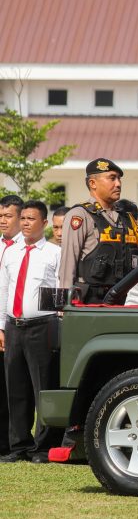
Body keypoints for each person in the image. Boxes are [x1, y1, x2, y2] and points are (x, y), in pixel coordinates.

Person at [0, 201, 61, 463]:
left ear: (44, 223)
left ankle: (43, 446)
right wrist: (2, 326)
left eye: (31, 219)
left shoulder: (53, 253)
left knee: (42, 387)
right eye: (22, 218)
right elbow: (4, 291)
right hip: (14, 326)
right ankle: (19, 445)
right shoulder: (12, 253)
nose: (25, 223)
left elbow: (60, 289)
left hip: (42, 325)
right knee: (15, 388)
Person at [58, 160, 138, 304]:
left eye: (119, 179)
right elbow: (68, 264)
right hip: (88, 303)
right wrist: (65, 305)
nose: (118, 184)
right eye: (112, 178)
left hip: (120, 301)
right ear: (93, 183)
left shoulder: (127, 218)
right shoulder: (80, 215)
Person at [0, 194, 22, 456]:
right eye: (0, 216)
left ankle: (13, 442)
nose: (3, 221)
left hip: (13, 324)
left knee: (12, 387)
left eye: (8, 216)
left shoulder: (22, 248)